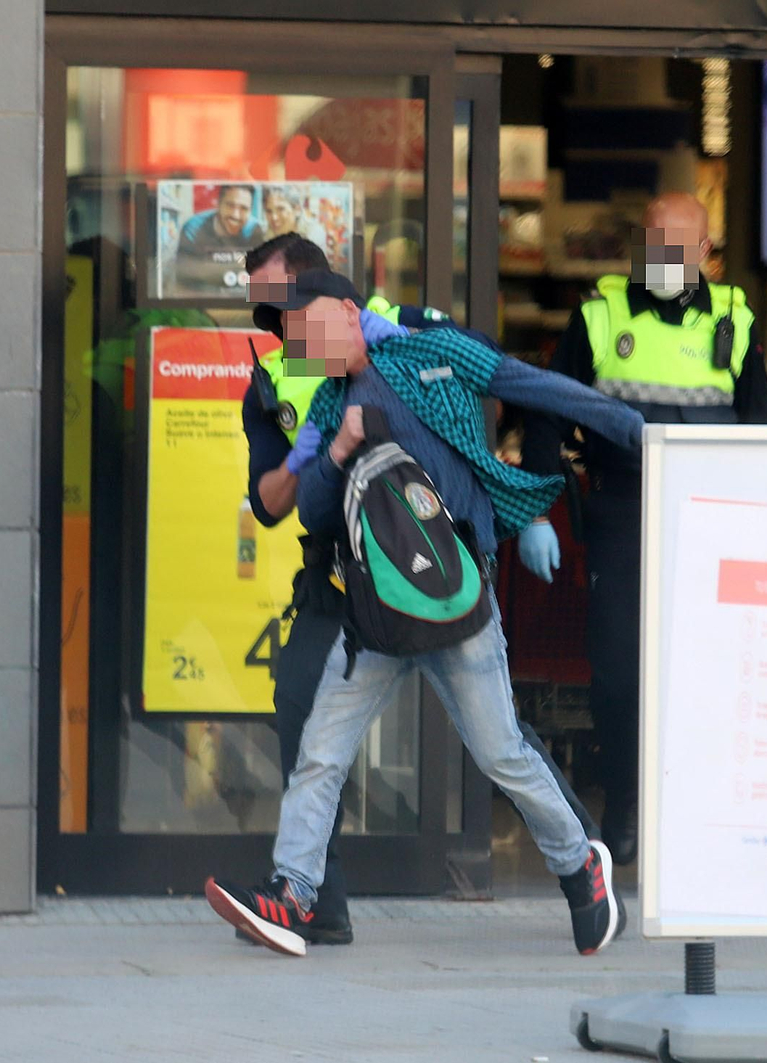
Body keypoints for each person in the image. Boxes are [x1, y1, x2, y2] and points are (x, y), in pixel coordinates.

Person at [208, 267, 641, 958]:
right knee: (322, 751)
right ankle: (292, 893)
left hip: (458, 598)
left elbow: (531, 385)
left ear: (350, 312)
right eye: (296, 340)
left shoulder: (432, 352)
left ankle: (578, 863)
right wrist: (338, 450)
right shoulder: (325, 404)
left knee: (501, 751)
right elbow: (315, 512)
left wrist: (630, 426)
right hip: (377, 612)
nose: (308, 346)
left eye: (313, 327)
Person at [519, 192, 767, 867]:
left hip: (711, 514)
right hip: (623, 509)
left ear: (703, 254)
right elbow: (544, 410)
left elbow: (762, 430)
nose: (663, 254)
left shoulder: (735, 321)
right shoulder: (601, 316)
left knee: (709, 669)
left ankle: (698, 809)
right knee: (618, 670)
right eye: (654, 239)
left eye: (678, 243)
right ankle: (626, 803)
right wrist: (539, 507)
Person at [174, 184, 265, 292]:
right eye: (230, 205)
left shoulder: (253, 230)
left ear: (250, 211)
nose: (236, 215)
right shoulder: (193, 229)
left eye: (244, 208)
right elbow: (184, 279)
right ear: (218, 204)